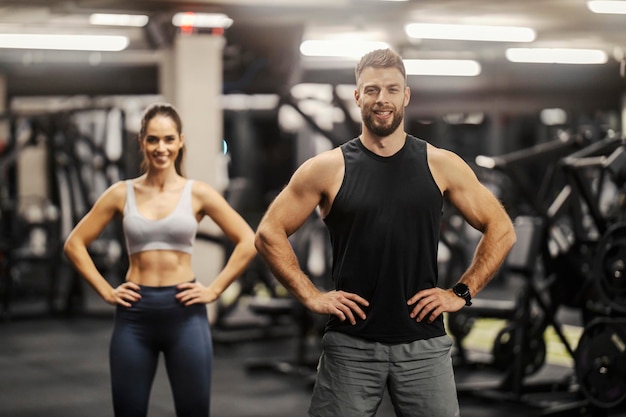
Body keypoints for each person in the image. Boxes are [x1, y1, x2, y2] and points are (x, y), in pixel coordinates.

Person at [254, 48, 517, 417]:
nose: (383, 99)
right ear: (358, 95)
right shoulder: (327, 168)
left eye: (393, 89)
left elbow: (502, 228)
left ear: (406, 96)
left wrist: (461, 292)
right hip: (350, 347)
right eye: (372, 90)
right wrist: (311, 296)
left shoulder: (440, 164)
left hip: (424, 347)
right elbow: (268, 233)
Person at [63, 103, 256, 417]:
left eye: (168, 139)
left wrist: (215, 290)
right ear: (142, 142)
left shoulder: (198, 193)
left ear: (180, 141)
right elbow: (74, 244)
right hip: (134, 314)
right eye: (153, 139)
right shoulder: (120, 193)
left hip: (185, 314)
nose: (161, 147)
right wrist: (106, 290)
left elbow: (249, 241)